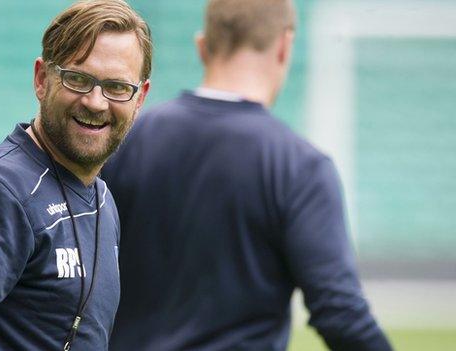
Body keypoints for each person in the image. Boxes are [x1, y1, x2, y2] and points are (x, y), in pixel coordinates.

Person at [103, 0, 392, 350]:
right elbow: (340, 313)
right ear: (284, 46)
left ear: (202, 47)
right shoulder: (299, 166)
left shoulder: (125, 141)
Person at [0, 1, 151, 350]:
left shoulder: (102, 198)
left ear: (139, 98)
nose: (96, 102)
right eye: (78, 79)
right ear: (42, 79)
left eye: (117, 87)